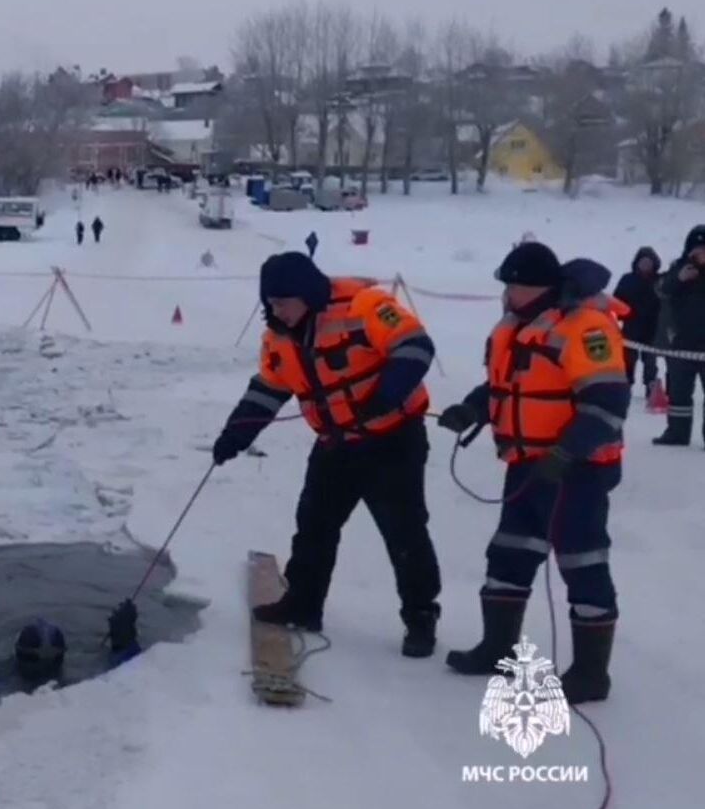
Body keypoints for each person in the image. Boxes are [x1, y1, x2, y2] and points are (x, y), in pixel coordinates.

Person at [210, 252, 442, 656]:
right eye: (270, 303)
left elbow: (417, 347)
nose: (275, 310)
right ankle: (303, 604)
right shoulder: (278, 337)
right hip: (336, 445)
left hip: (392, 441)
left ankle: (420, 617)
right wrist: (234, 436)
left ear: (308, 293)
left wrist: (385, 397)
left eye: (283, 301)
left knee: (403, 532)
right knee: (314, 525)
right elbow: (267, 391)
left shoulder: (365, 306)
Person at [437, 244, 626, 704]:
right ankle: (498, 649)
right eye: (506, 284)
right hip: (526, 467)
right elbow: (506, 385)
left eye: (516, 285)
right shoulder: (515, 327)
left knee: (583, 562)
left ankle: (590, 673)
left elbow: (607, 404)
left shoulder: (584, 329)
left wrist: (567, 454)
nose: (508, 293)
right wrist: (473, 410)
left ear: (543, 287)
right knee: (509, 556)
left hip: (575, 471)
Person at [653, 226, 705, 446]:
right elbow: (661, 290)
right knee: (679, 393)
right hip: (681, 342)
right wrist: (680, 278)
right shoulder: (678, 268)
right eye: (697, 248)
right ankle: (677, 432)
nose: (700, 252)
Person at [613, 246, 662, 392]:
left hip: (653, 328)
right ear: (637, 263)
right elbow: (617, 300)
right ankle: (625, 386)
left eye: (649, 262)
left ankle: (651, 387)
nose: (646, 265)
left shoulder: (660, 280)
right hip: (631, 327)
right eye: (643, 261)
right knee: (627, 359)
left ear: (654, 263)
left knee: (650, 361)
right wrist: (623, 314)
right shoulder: (627, 279)